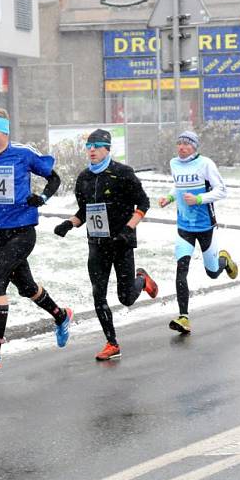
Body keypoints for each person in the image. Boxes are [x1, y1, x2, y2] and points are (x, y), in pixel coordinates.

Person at [0, 107, 73, 372]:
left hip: (22, 230)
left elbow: (53, 177)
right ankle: (61, 315)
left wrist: (42, 198)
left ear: (5, 132)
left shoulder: (23, 153)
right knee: (27, 287)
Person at [53, 129, 158, 361]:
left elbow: (143, 203)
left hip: (121, 243)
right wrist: (69, 224)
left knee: (126, 298)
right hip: (97, 244)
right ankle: (112, 343)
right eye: (89, 146)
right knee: (98, 295)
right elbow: (85, 211)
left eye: (97, 146)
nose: (91, 150)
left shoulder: (123, 173)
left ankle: (142, 279)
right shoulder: (84, 178)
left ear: (107, 149)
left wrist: (128, 229)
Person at [158, 131, 238, 334]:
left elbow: (222, 190)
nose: (182, 147)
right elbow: (178, 186)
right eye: (179, 143)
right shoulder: (174, 163)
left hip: (205, 227)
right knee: (181, 269)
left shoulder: (206, 164)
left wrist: (200, 199)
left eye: (186, 144)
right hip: (184, 227)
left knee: (212, 273)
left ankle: (224, 261)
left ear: (195, 147)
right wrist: (169, 198)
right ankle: (183, 317)